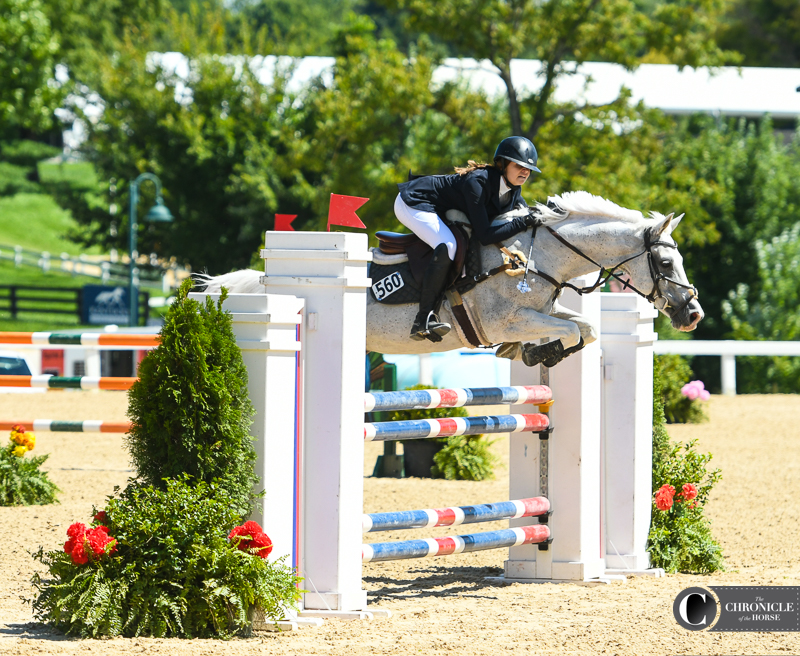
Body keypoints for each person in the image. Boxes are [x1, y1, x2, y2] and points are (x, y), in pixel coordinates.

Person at [394, 136, 541, 341]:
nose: (525, 172)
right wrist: (522, 222)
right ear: (503, 164)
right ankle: (424, 318)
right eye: (519, 166)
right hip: (414, 201)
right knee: (448, 245)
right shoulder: (478, 182)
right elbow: (485, 235)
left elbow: (525, 214)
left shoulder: (513, 191)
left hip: (440, 208)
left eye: (528, 169)